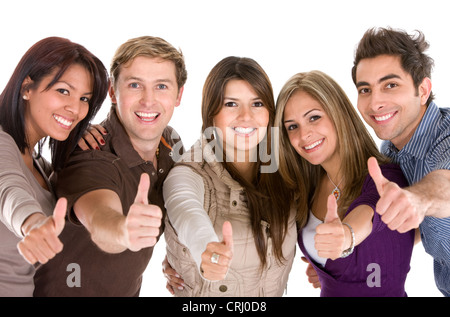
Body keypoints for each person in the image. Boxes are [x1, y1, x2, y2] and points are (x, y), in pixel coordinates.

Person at [33, 36, 187, 297]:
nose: (148, 101)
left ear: (178, 95)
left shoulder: (170, 142)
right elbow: (99, 218)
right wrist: (124, 231)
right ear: (113, 92)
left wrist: (176, 259)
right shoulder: (88, 152)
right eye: (135, 85)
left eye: (161, 86)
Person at [162, 56, 297, 296]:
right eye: (231, 104)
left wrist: (324, 263)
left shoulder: (285, 167)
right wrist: (205, 250)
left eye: (257, 103)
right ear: (211, 113)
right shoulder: (189, 171)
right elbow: (185, 209)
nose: (246, 116)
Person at [274, 70, 415, 296]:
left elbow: (370, 213)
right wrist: (325, 269)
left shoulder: (384, 177)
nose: (304, 135)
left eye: (314, 117)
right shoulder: (307, 188)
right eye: (292, 126)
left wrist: (346, 236)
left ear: (338, 113)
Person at [0, 37, 108, 296]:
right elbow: (8, 189)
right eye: (63, 91)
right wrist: (34, 224)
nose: (75, 108)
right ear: (27, 87)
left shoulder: (38, 164)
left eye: (84, 98)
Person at [352, 27, 450, 297]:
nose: (375, 102)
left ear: (423, 90)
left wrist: (418, 199)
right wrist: (343, 258)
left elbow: (444, 186)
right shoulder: (391, 150)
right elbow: (410, 226)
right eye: (365, 89)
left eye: (390, 85)